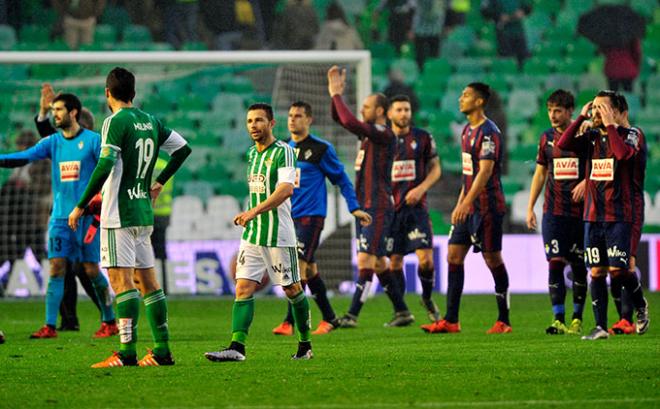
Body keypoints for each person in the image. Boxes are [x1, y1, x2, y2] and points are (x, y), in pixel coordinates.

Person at [68, 67, 192, 366]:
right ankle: (162, 350)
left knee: (122, 282)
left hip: (118, 215)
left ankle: (126, 352)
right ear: (133, 93)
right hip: (142, 212)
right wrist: (160, 181)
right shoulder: (150, 120)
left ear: (107, 93)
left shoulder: (114, 121)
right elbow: (183, 149)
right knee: (149, 283)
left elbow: (105, 164)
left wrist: (81, 204)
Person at [0, 93, 117, 339]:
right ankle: (50, 326)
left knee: (91, 269)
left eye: (59, 110)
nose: (55, 114)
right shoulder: (52, 143)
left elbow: (111, 171)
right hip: (60, 219)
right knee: (56, 268)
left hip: (87, 218)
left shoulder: (94, 141)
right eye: (53, 110)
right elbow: (22, 158)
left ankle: (110, 321)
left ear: (73, 112)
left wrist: (100, 200)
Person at [204, 103, 312, 362]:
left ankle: (305, 345)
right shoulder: (252, 154)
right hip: (253, 234)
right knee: (242, 287)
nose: (254, 125)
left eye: (259, 120)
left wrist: (253, 212)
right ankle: (237, 347)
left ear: (272, 123)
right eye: (250, 121)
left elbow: (286, 189)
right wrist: (252, 217)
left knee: (292, 289)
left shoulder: (284, 152)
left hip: (278, 234)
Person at [272, 101, 372, 336]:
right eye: (290, 115)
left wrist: (354, 207)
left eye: (298, 116)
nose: (292, 119)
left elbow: (341, 179)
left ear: (309, 120)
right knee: (310, 271)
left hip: (311, 217)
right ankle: (329, 318)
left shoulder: (320, 149)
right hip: (289, 217)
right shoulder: (283, 148)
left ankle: (289, 322)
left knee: (297, 268)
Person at [556, 90, 650, 340]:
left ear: (620, 112)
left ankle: (640, 305)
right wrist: (579, 119)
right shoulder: (593, 136)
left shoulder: (633, 135)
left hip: (621, 214)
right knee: (596, 271)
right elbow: (563, 144)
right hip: (593, 215)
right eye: (595, 108)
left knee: (619, 270)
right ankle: (600, 326)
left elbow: (622, 155)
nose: (597, 113)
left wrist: (610, 125)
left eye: (603, 108)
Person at [422, 82, 512, 335]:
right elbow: (469, 174)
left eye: (466, 95)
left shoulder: (488, 132)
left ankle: (504, 320)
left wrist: (466, 202)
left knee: (492, 258)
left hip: (488, 207)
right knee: (453, 255)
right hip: (469, 206)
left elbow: (485, 172)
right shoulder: (466, 131)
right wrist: (460, 204)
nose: (461, 98)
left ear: (480, 101)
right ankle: (451, 321)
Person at [328, 66, 414, 328]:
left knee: (366, 260)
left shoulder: (384, 133)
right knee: (377, 262)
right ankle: (402, 312)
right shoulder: (369, 137)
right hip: (365, 205)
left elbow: (351, 121)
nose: (362, 111)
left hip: (376, 206)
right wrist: (336, 97)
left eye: (366, 106)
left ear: (378, 111)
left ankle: (352, 315)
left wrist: (336, 95)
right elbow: (343, 120)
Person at [34, 83, 106, 332]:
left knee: (83, 269)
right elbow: (49, 139)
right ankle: (71, 319)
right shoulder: (66, 143)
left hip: (89, 216)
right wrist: (43, 114)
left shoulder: (91, 146)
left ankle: (107, 317)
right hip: (68, 215)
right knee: (65, 267)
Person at [525, 90, 588, 335]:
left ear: (570, 111)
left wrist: (586, 182)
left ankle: (577, 319)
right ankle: (558, 319)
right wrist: (530, 206)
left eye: (558, 110)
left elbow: (597, 165)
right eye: (550, 110)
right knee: (554, 262)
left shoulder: (584, 136)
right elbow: (540, 173)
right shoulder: (546, 138)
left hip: (581, 213)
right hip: (553, 211)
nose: (553, 115)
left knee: (579, 265)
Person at [385, 95, 442, 323]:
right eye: (399, 109)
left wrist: (421, 188)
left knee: (426, 259)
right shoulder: (381, 140)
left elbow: (436, 169)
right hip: (391, 211)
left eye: (407, 109)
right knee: (395, 262)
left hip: (416, 209)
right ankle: (401, 311)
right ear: (389, 114)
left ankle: (427, 298)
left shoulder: (422, 137)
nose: (404, 114)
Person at [481, 0, 531, 67]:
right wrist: (499, 16)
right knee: (506, 61)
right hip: (503, 32)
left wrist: (523, 11)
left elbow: (528, 6)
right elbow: (485, 11)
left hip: (518, 31)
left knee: (524, 61)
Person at [410, 0, 445, 69]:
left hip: (434, 31)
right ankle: (421, 73)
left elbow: (440, 12)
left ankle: (431, 73)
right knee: (420, 57)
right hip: (421, 31)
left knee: (433, 57)